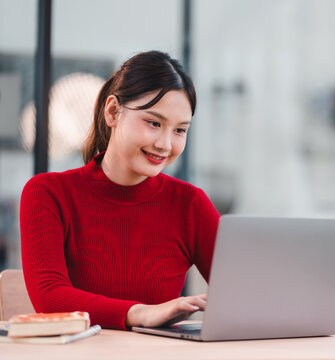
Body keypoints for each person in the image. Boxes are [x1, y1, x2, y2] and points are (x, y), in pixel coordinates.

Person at [20, 51, 220, 330]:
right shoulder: (48, 193)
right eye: (154, 123)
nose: (165, 144)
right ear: (113, 112)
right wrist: (139, 313)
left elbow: (242, 297)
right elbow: (49, 297)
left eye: (180, 130)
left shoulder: (189, 203)